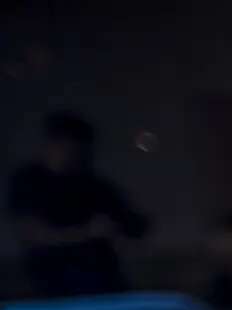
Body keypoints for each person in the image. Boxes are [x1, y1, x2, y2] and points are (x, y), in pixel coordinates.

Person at [8, 112, 149, 298]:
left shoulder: (94, 185)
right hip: (52, 283)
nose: (75, 155)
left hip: (102, 282)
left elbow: (133, 226)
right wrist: (86, 233)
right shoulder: (28, 182)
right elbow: (31, 234)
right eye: (69, 147)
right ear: (54, 144)